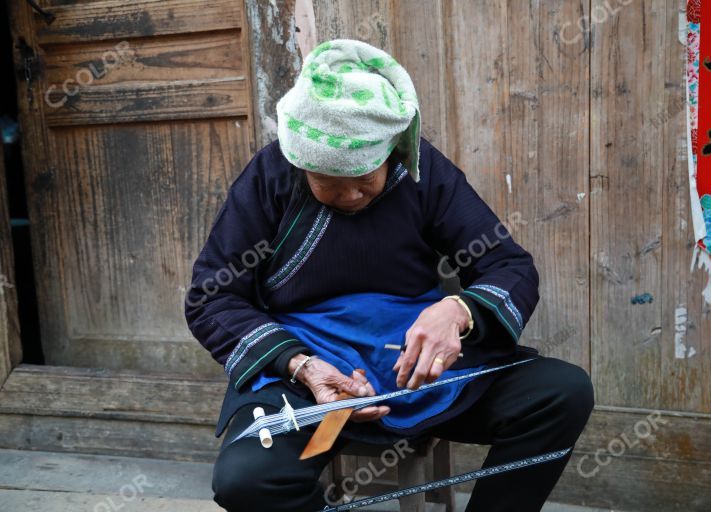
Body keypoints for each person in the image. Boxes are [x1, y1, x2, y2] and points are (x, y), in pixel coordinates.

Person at [185, 39, 594, 512]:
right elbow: (210, 298)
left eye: (365, 177)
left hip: (415, 370)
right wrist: (301, 365)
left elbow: (509, 265)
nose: (352, 195)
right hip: (310, 378)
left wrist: (457, 310)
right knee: (247, 482)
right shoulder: (269, 178)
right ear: (300, 161)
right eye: (330, 184)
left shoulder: (422, 172)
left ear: (393, 150)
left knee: (562, 392)